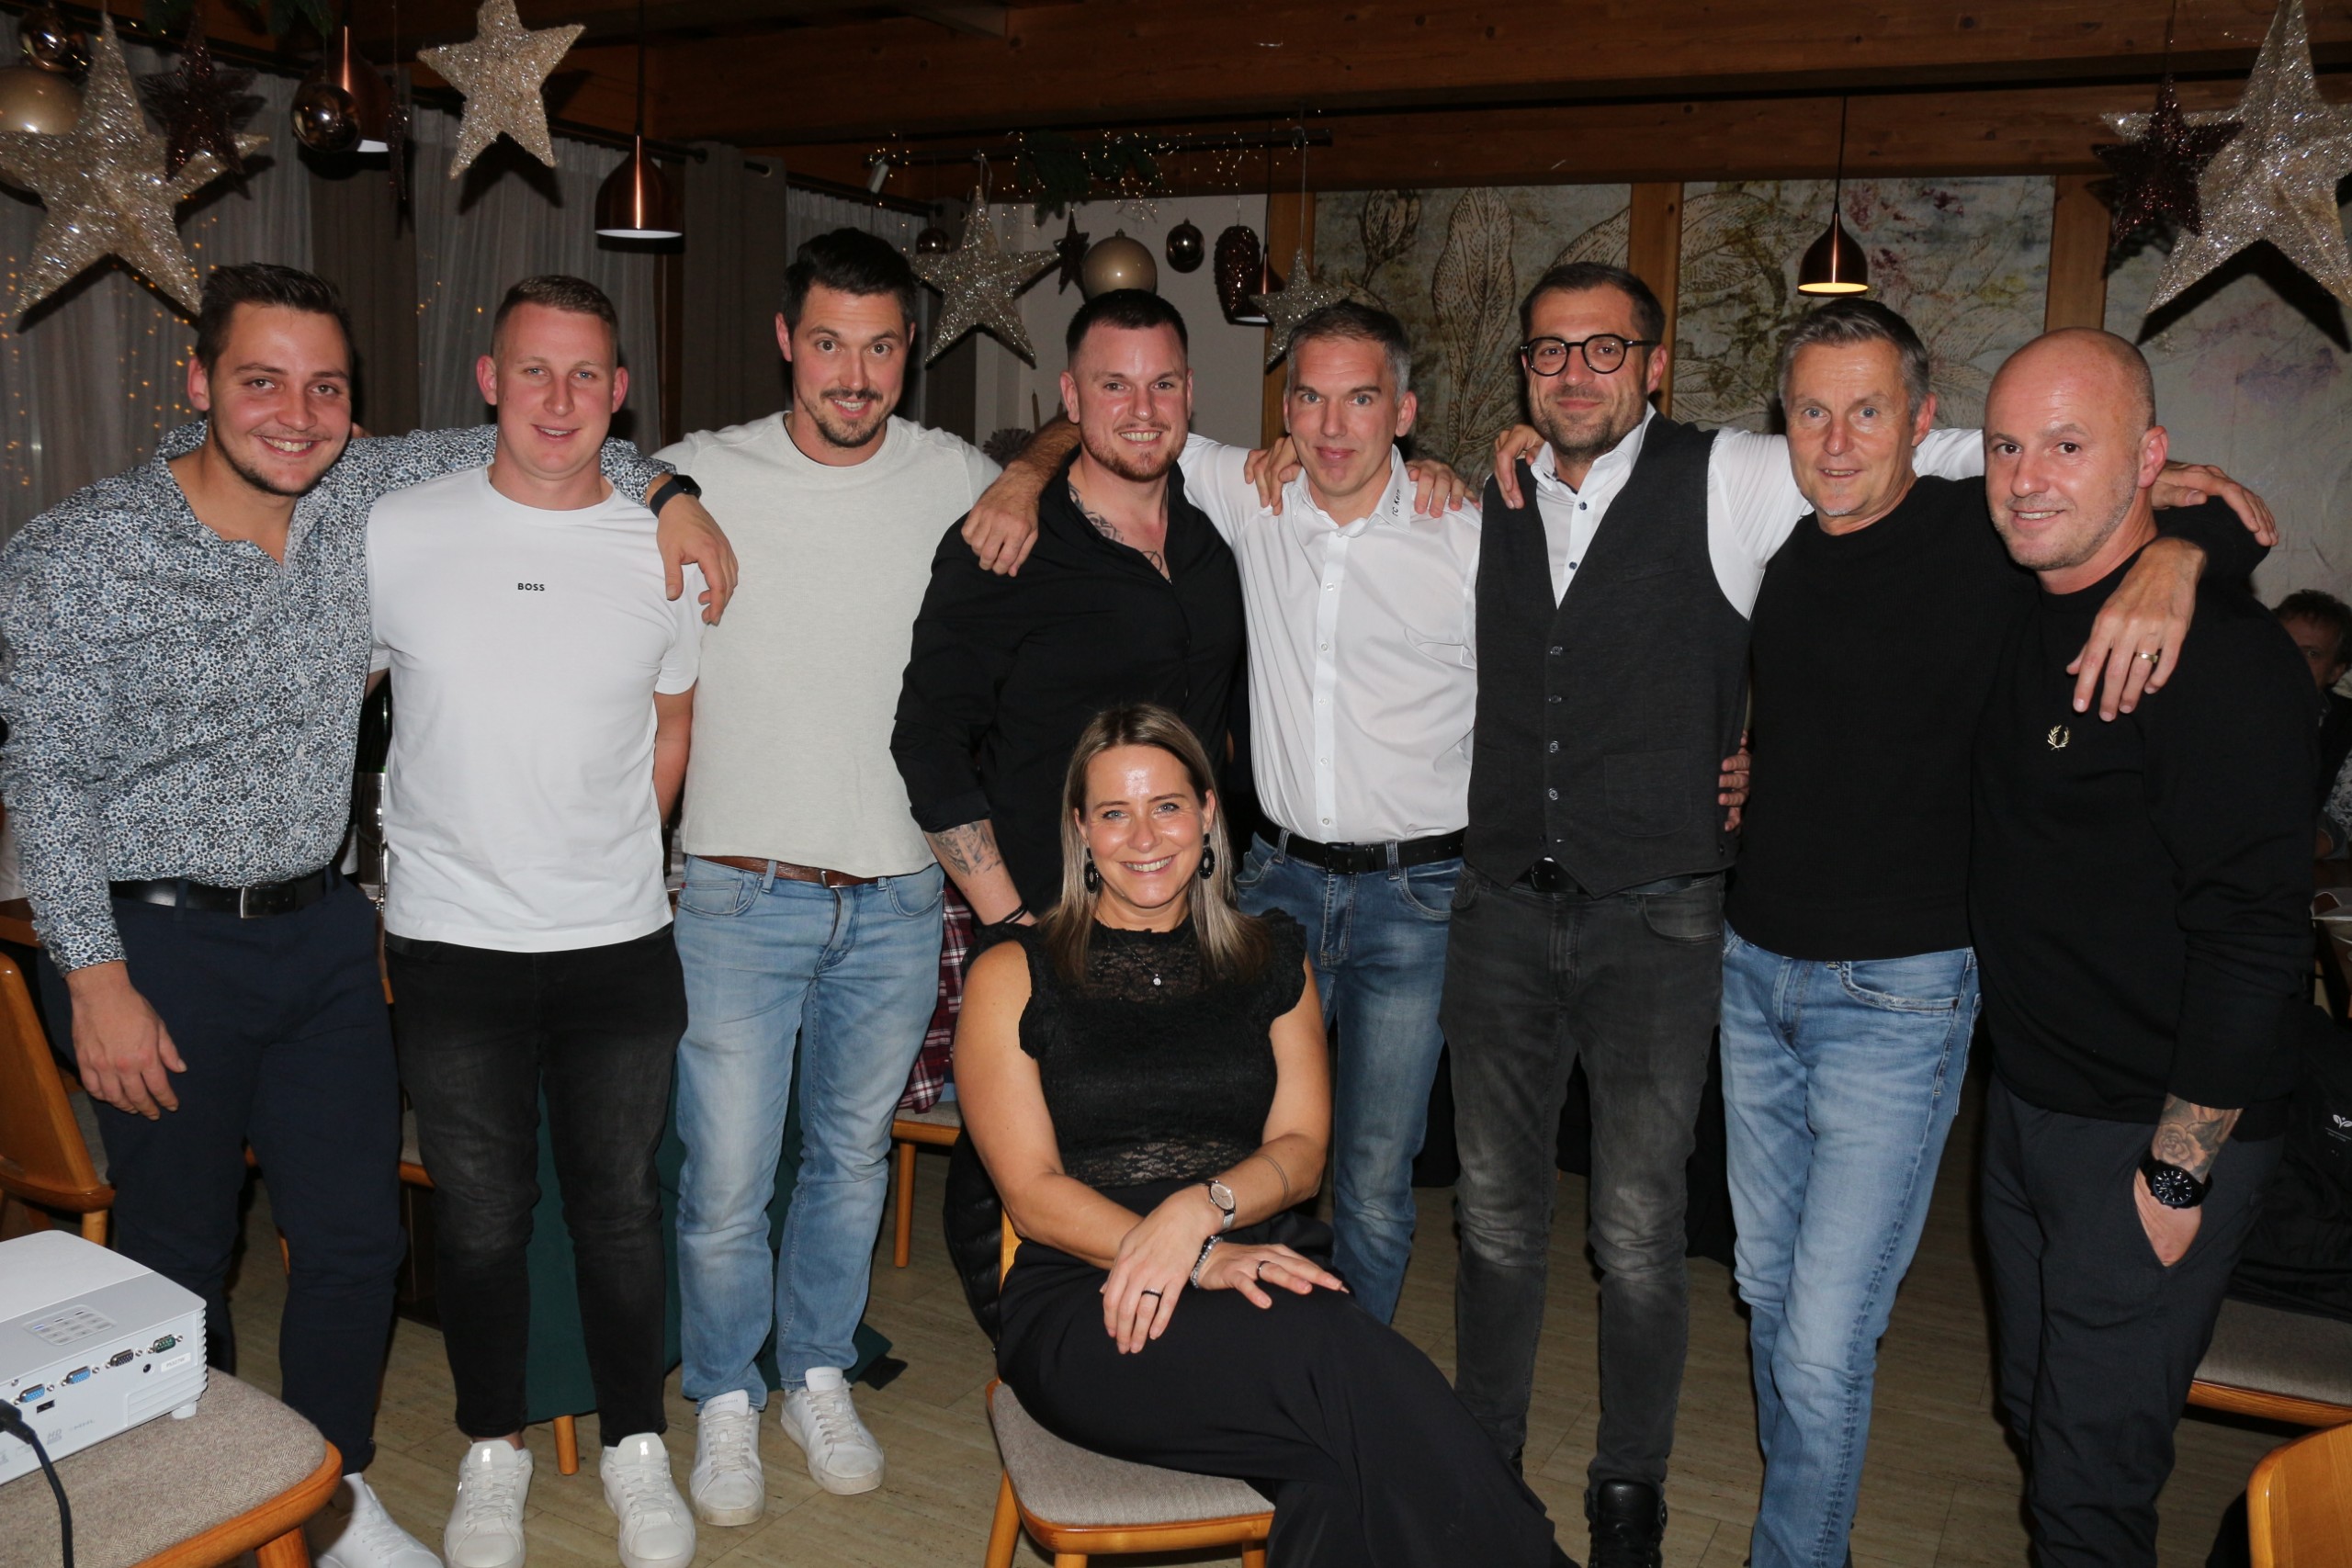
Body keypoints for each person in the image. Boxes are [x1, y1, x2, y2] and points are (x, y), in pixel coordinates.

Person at [0, 262, 732, 1568]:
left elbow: (553, 433)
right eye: (261, 380)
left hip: (327, 930)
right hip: (158, 940)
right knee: (181, 1250)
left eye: (325, 387)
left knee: (352, 1242)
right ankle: (202, 1508)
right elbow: (46, 778)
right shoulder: (84, 551)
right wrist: (94, 975)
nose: (295, 413)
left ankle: (328, 1493)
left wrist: (672, 487)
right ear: (199, 383)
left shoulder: (355, 499)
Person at [1453, 261, 1988, 1565]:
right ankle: (1480, 1462)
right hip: (1502, 907)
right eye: (1550, 350)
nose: (1575, 371)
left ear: (1654, 364)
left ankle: (1628, 1487)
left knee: (1639, 1231)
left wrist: (2146, 492)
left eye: (1605, 348)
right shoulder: (1491, 496)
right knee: (1492, 1218)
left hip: (1661, 919)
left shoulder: (1733, 474)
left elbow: (1937, 449)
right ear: (1524, 371)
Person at [1720, 299, 2267, 1568]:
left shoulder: (1989, 533)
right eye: (1812, 412)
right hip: (1753, 973)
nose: (1837, 440)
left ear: (1923, 422)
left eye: (1868, 411)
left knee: (1824, 1335)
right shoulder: (1784, 555)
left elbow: (2206, 509)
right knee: (1767, 1295)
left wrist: (2182, 557)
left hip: (1898, 993)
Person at [954, 702, 1576, 1568]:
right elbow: (1031, 1194)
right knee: (1347, 1361)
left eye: (1167, 806)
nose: (1144, 836)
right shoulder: (1014, 972)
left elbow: (1301, 1150)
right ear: (1080, 829)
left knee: (1336, 1471)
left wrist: (1202, 1210)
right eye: (1115, 812)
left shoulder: (1270, 956)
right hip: (1092, 1297)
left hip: (1256, 1262)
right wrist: (1192, 1253)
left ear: (1209, 812)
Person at [969, 299, 1488, 1323]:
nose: (1331, 426)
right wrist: (1021, 475)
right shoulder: (1248, 494)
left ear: (1404, 412)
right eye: (1309, 399)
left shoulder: (1467, 537)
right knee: (1229, 1141)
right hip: (1269, 882)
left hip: (1416, 897)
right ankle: (1227, 1335)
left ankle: (1346, 1365)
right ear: (1281, 410)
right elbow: (1118, 417)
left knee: (1372, 1174)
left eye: (1361, 400)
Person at [655, 229, 1001, 1514]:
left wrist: (1035, 467)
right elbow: (552, 459)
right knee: (725, 1182)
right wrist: (657, 487)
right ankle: (722, 1393)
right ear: (785, 343)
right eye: (828, 343)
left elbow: (1077, 458)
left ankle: (814, 1368)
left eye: (880, 346)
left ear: (910, 351)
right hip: (737, 893)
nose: (853, 374)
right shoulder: (700, 471)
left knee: (852, 1162)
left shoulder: (954, 474)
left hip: (901, 895)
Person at [373, 276, 703, 1568]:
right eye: (533, 370)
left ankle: (637, 1445)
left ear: (619, 393)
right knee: (479, 1218)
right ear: (488, 381)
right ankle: (491, 1446)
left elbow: (673, 725)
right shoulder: (397, 530)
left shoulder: (664, 548)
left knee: (619, 1210)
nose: (558, 399)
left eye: (585, 375)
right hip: (451, 945)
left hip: (618, 943)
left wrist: (615, 848)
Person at [1973, 328, 2311, 1568]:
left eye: (2069, 445)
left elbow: (2257, 934)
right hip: (2030, 1107)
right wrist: (2187, 535)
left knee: (2089, 1484)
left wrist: (2177, 1176)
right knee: (2039, 1416)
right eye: (2008, 445)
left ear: (2148, 457)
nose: (2027, 477)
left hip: (2150, 1126)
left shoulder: (2217, 657)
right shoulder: (2024, 600)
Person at [892, 288, 1244, 924]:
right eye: (1115, 386)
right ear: (1071, 398)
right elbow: (927, 742)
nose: (1143, 409)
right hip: (1056, 921)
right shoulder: (1005, 545)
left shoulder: (1224, 530)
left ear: (1189, 391)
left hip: (1201, 916)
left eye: (1162, 384)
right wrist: (1011, 922)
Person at [2274, 589, 2352, 851]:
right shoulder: (2222, 706)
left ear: (2336, 671)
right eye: (2283, 644)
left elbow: (2340, 826)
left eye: (2312, 654)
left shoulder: (2343, 727)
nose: (2293, 660)